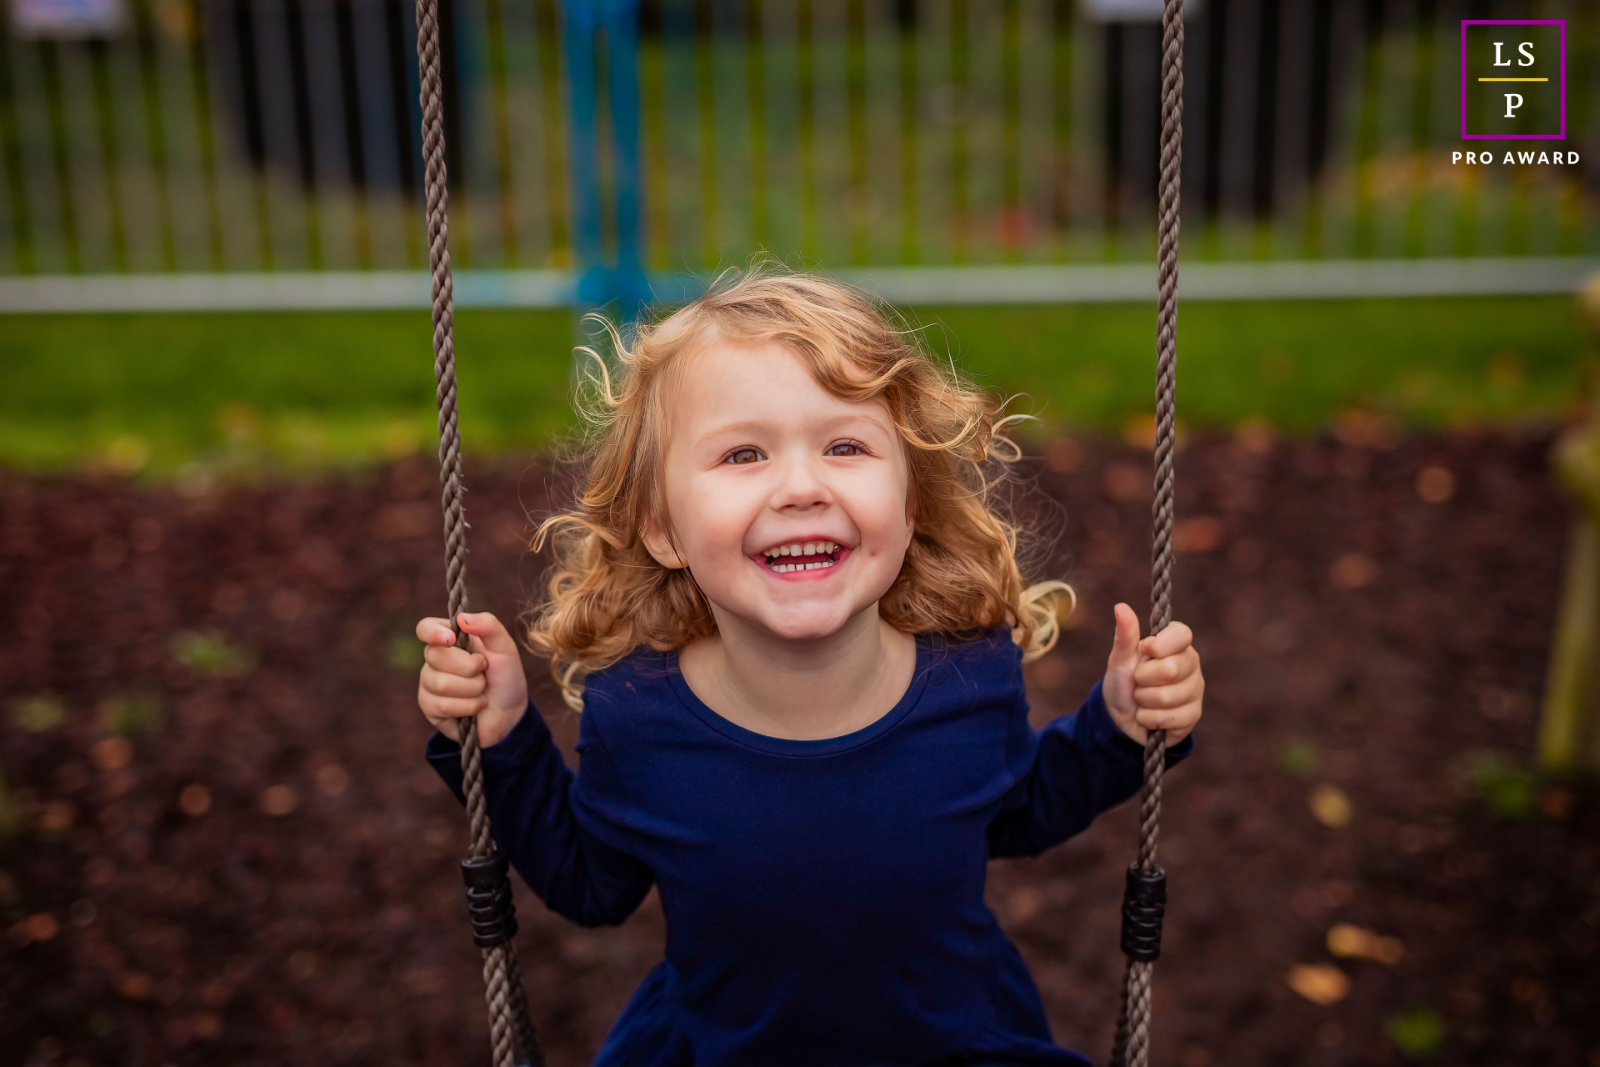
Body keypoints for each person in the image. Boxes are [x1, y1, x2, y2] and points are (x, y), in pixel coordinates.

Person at [415, 270, 1204, 1066]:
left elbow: (1013, 810)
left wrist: (1118, 727)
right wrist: (503, 739)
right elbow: (591, 883)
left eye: (845, 446)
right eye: (744, 453)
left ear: (910, 503)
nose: (800, 487)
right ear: (662, 527)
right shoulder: (639, 715)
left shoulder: (970, 674)